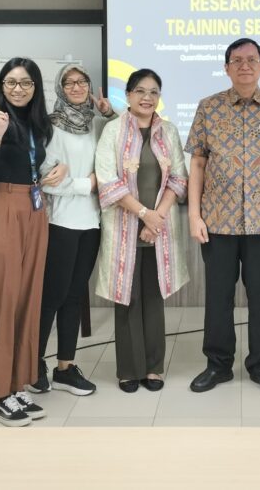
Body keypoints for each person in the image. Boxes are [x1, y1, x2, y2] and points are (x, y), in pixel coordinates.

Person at [186, 38, 260, 395]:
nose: (245, 65)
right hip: (217, 220)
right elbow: (198, 162)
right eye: (237, 60)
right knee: (218, 297)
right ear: (226, 67)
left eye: (252, 60)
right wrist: (194, 215)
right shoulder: (209, 107)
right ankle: (217, 365)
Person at [0, 58, 64, 426]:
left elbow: (33, 165)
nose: (18, 89)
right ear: (1, 86)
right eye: (10, 82)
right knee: (2, 300)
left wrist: (55, 171)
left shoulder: (38, 125)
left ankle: (16, 384)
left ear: (36, 87)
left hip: (34, 209)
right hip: (1, 208)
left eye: (25, 83)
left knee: (28, 299)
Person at [94, 69, 189, 392]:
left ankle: (153, 368)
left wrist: (156, 219)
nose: (147, 98)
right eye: (140, 91)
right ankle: (128, 370)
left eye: (153, 92)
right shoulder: (113, 131)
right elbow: (108, 181)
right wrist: (144, 215)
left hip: (158, 230)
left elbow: (178, 178)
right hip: (125, 228)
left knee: (153, 298)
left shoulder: (168, 131)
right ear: (128, 95)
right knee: (127, 298)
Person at [29, 63, 115, 397]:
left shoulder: (96, 123)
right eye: (69, 82)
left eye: (82, 82)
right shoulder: (50, 127)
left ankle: (65, 367)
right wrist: (88, 184)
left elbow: (126, 137)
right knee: (52, 296)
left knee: (75, 296)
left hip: (92, 223)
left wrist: (109, 112)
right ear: (60, 88)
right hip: (60, 222)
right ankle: (33, 364)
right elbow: (46, 179)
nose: (77, 87)